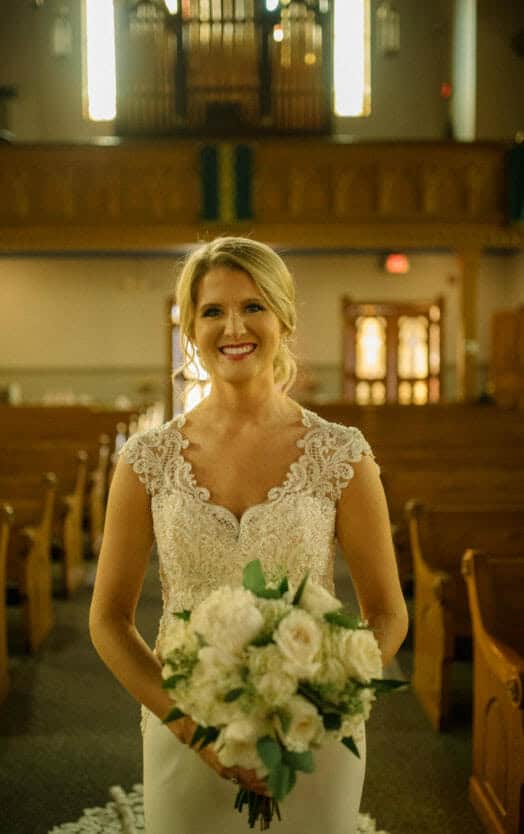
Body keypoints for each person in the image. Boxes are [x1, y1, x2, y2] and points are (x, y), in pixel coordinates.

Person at [89, 236, 409, 834]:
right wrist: (192, 727)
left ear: (283, 318)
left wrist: (319, 701)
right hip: (185, 727)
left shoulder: (341, 454)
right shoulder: (146, 460)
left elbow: (388, 612)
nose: (233, 326)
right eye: (212, 311)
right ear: (191, 327)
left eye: (252, 306)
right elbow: (108, 619)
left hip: (311, 735)